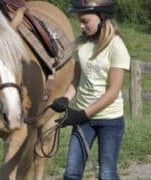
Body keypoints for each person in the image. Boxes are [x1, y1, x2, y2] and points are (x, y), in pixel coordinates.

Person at [51, 0, 130, 179]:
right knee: (71, 173)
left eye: (85, 20)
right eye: (80, 20)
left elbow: (112, 92)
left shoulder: (117, 47)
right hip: (83, 118)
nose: (81, 25)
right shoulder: (81, 45)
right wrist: (65, 98)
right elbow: (76, 80)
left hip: (109, 120)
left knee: (107, 174)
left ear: (101, 17)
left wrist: (82, 115)